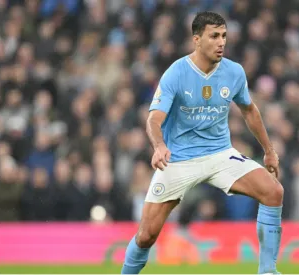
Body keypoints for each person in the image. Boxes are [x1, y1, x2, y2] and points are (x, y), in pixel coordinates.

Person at [121, 12, 283, 275]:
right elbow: (153, 119)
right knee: (146, 236)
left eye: (224, 36)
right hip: (179, 159)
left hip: (220, 154)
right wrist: (159, 146)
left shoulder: (234, 72)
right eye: (214, 36)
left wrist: (269, 151)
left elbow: (250, 111)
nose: (221, 42)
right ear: (197, 40)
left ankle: (267, 271)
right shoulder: (176, 73)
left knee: (274, 192)